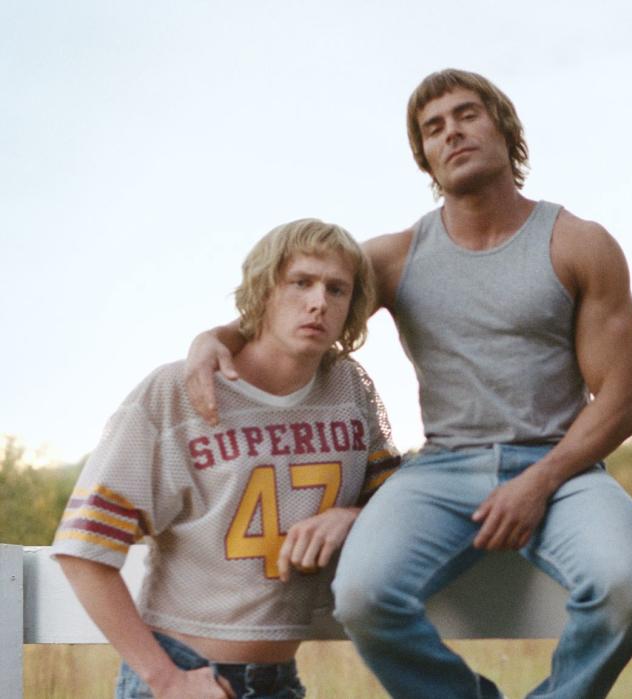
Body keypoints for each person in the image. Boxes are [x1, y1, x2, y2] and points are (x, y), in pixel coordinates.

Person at [184, 69, 632, 699]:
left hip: (563, 467)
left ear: (505, 130)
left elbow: (623, 397)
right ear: (425, 159)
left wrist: (537, 483)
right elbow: (300, 302)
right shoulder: (396, 256)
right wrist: (212, 339)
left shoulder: (578, 243)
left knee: (628, 585)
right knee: (361, 596)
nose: (452, 133)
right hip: (442, 469)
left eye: (467, 115)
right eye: (433, 128)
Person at [52, 219, 400, 699]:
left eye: (336, 289)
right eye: (301, 282)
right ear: (263, 293)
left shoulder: (348, 387)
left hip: (279, 681)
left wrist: (352, 516)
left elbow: (399, 502)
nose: (319, 302)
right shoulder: (177, 391)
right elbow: (83, 551)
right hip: (187, 673)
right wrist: (165, 678)